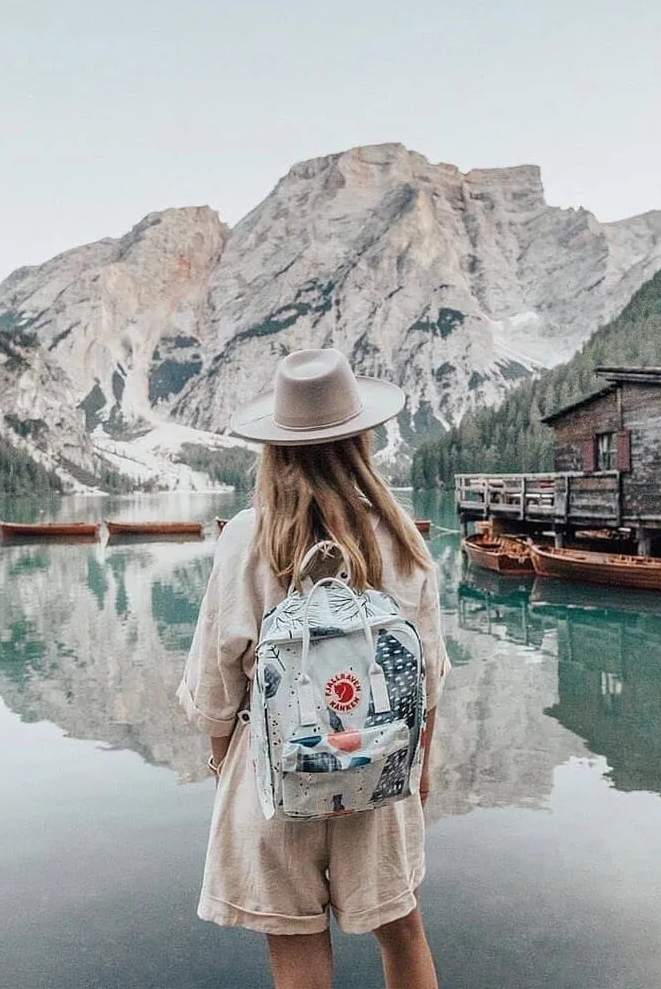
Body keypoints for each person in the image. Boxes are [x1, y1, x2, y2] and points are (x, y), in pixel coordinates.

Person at [177, 348, 450, 989]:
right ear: (360, 438)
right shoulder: (400, 535)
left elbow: (219, 682)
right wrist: (419, 765)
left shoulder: (247, 536)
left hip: (275, 776)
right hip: (380, 763)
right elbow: (428, 678)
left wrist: (225, 765)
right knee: (402, 932)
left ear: (274, 446)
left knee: (296, 947)